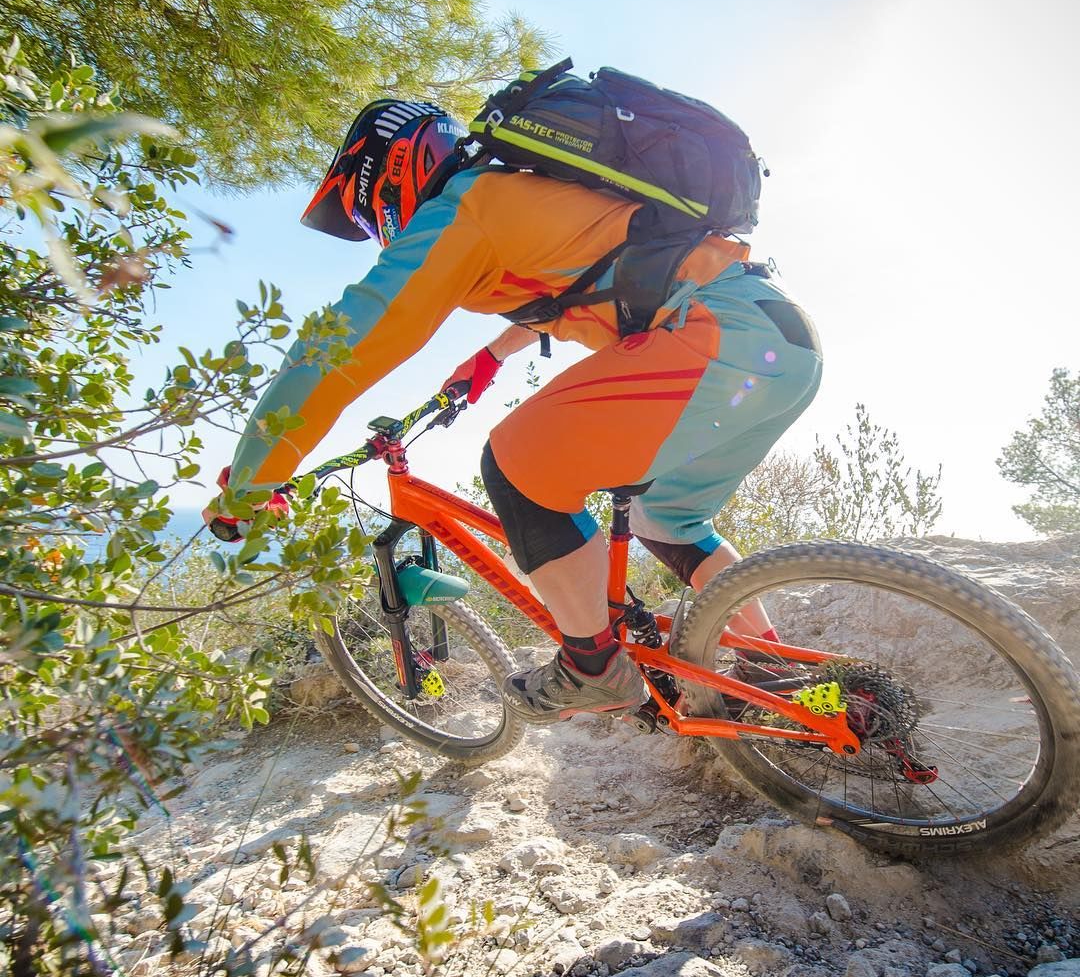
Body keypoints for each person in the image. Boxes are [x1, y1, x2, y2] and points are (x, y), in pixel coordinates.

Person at [204, 97, 822, 725]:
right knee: (668, 519)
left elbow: (337, 351)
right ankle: (774, 668)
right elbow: (589, 279)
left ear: (391, 175)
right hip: (780, 341)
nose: (378, 229)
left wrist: (251, 481)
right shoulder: (520, 195)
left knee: (518, 464)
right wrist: (490, 356)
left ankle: (592, 668)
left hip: (721, 337)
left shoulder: (465, 207)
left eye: (369, 216)